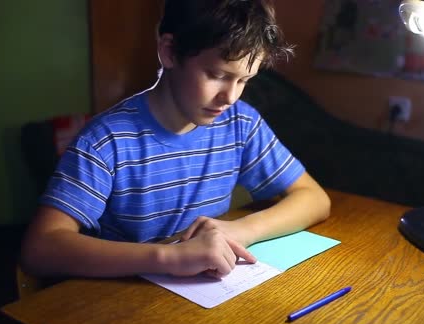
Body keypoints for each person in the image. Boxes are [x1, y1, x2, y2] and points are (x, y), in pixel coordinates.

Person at [20, 0, 331, 279]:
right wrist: (168, 256)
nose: (230, 97)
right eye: (217, 74)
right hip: (124, 301)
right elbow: (40, 249)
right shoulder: (106, 141)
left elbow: (314, 199)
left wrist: (240, 231)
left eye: (244, 80)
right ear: (169, 51)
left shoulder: (240, 123)